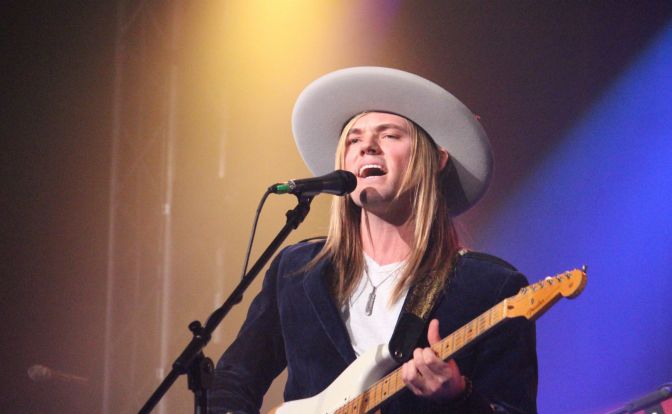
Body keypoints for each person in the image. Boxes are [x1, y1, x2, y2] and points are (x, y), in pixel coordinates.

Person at [208, 67, 537, 413]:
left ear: (436, 160)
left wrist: (459, 397)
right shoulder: (297, 269)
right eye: (353, 140)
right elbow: (232, 380)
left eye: (390, 135)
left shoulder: (490, 286)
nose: (367, 147)